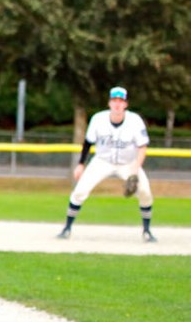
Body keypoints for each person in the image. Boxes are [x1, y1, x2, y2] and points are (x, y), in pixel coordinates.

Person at [57, 86, 156, 242]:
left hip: (128, 162)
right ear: (109, 103)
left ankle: (147, 231)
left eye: (120, 101)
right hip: (102, 161)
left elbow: (142, 147)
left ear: (125, 104)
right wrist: (81, 164)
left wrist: (135, 170)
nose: (117, 104)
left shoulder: (135, 121)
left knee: (145, 192)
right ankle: (67, 228)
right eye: (114, 100)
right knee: (79, 191)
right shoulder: (98, 119)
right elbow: (88, 142)